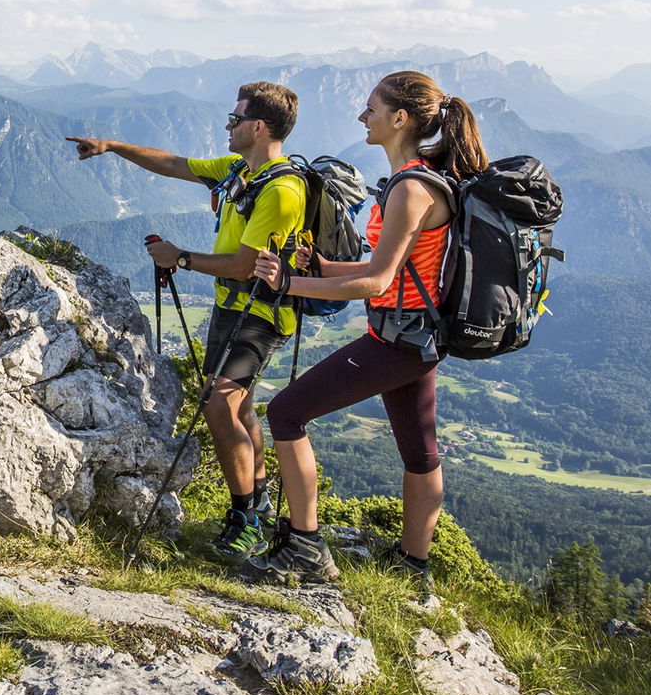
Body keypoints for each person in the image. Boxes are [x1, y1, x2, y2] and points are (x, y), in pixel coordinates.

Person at [244, 70, 488, 588]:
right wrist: (322, 269)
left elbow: (376, 282)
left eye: (371, 109)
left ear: (400, 119)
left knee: (286, 412)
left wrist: (289, 284)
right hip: (418, 337)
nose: (362, 117)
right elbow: (393, 269)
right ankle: (413, 567)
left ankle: (305, 548)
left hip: (398, 340)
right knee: (421, 453)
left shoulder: (411, 189)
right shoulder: (419, 180)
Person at [67, 82, 306, 564]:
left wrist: (181, 258)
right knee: (238, 408)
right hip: (232, 308)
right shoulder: (241, 171)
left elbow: (245, 264)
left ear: (258, 127)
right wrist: (113, 146)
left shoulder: (281, 191)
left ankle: (246, 519)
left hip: (260, 314)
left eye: (235, 119)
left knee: (220, 404)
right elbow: (175, 164)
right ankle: (255, 507)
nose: (228, 126)